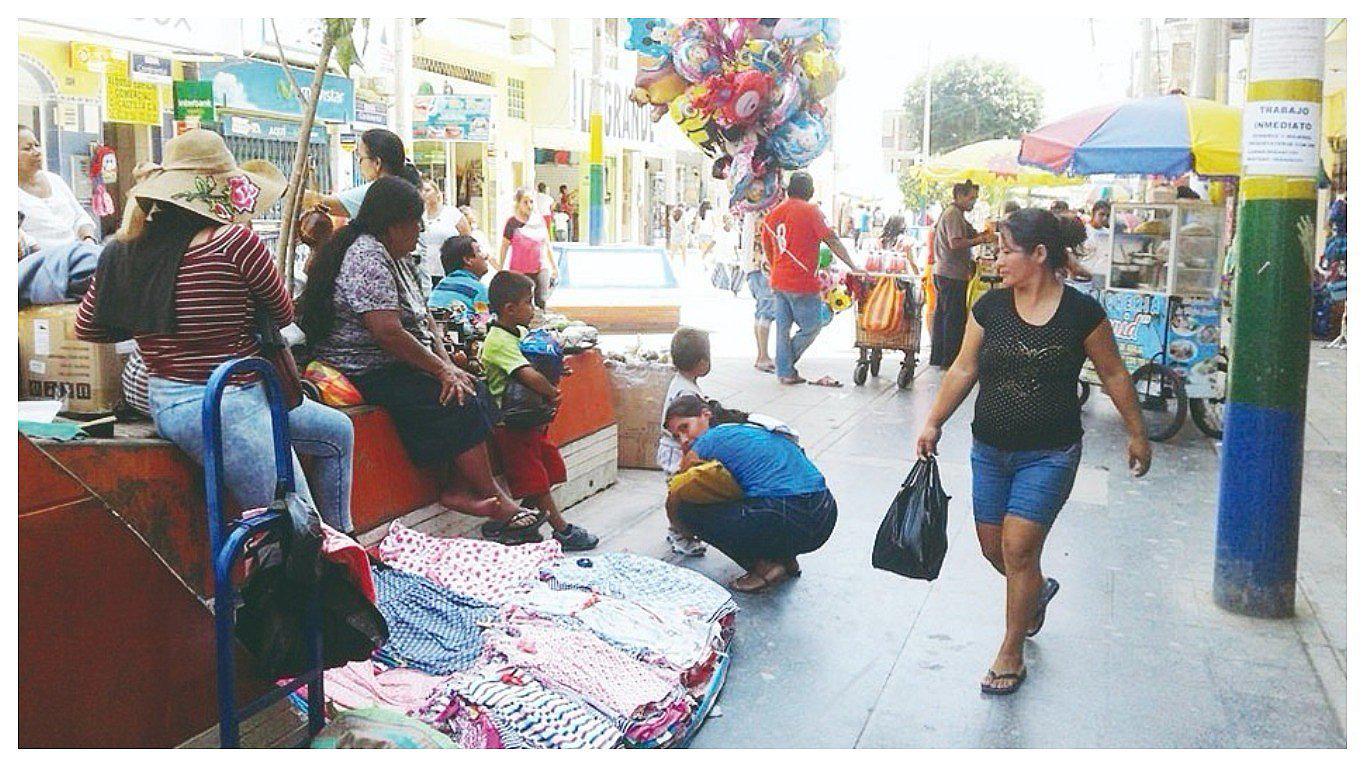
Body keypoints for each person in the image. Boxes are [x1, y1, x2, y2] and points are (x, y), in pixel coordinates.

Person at [914, 208, 1152, 696]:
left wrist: (1137, 432)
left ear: (1039, 255)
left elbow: (1113, 374)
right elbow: (962, 369)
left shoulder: (1082, 313)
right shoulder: (991, 309)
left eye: (1005, 251)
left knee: (1019, 549)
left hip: (1050, 453)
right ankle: (1037, 592)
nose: (996, 260)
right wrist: (934, 420)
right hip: (990, 450)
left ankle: (1011, 651)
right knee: (993, 547)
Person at [74, 128, 355, 532]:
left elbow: (90, 326)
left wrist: (162, 326)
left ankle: (341, 547)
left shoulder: (125, 247)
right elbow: (282, 314)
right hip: (229, 402)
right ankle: (319, 566)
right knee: (296, 523)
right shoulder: (234, 242)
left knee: (335, 432)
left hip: (168, 400)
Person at [299, 176, 541, 541]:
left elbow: (425, 320)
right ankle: (493, 498)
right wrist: (441, 371)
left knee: (472, 387)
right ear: (394, 224)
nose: (420, 230)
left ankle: (465, 488)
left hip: (399, 357)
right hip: (365, 365)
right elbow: (387, 331)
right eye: (415, 222)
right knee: (456, 400)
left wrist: (447, 365)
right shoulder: (366, 256)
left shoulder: (399, 257)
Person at [664, 394, 838, 593]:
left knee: (688, 509)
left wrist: (682, 529)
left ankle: (764, 568)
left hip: (784, 514)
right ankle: (786, 559)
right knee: (751, 495)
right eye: (677, 436)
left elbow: (676, 492)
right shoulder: (753, 427)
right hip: (825, 513)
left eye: (685, 427)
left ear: (706, 415)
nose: (684, 440)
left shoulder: (707, 441)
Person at [481, 270, 599, 551]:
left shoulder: (519, 333)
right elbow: (525, 374)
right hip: (512, 425)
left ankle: (517, 521)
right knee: (535, 476)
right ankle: (562, 530)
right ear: (510, 309)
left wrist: (556, 370)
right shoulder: (497, 341)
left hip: (532, 421)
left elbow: (538, 364)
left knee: (550, 467)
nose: (532, 308)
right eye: (528, 302)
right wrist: (551, 390)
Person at [761, 171, 863, 387]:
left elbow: (768, 248)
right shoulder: (811, 211)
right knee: (812, 326)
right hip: (802, 282)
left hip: (779, 280)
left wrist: (775, 268)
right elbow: (832, 240)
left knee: (782, 327)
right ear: (810, 191)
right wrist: (852, 265)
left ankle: (785, 370)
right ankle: (785, 366)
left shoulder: (772, 215)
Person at [657, 328, 712, 556]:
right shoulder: (686, 392)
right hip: (676, 452)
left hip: (673, 450)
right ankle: (680, 535)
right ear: (701, 363)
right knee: (680, 495)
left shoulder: (682, 382)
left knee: (680, 492)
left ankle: (681, 531)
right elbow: (681, 429)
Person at [930, 180, 996, 368]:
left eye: (975, 198)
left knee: (944, 315)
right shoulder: (953, 215)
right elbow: (955, 242)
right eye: (970, 198)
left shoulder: (956, 214)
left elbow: (968, 235)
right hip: (951, 273)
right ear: (959, 196)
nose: (973, 203)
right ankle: (948, 359)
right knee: (953, 317)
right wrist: (981, 239)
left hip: (947, 272)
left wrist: (979, 235)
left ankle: (939, 356)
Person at [306, 128, 421, 218]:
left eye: (361, 158)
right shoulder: (405, 189)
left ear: (377, 163)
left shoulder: (377, 192)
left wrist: (288, 188)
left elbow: (321, 203)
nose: (359, 163)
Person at [18, 125, 99, 251]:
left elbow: (80, 217)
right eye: (27, 148)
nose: (36, 152)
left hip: (76, 254)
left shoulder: (55, 180)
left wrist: (88, 240)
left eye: (37, 145)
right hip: (39, 263)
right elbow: (25, 241)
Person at [497, 187, 558, 310]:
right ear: (518, 203)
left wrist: (554, 267)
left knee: (541, 301)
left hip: (540, 268)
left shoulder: (539, 221)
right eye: (525, 202)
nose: (529, 205)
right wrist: (500, 268)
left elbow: (546, 244)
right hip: (519, 272)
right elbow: (504, 247)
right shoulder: (512, 223)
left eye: (531, 202)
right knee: (521, 304)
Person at [740, 212, 777, 373]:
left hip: (751, 266)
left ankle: (761, 354)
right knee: (766, 310)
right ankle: (763, 356)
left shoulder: (750, 211)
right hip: (761, 266)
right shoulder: (762, 214)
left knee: (761, 310)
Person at [418, 179, 470, 286]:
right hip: (426, 272)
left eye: (428, 190)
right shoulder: (420, 216)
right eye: (421, 191)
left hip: (449, 271)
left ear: (438, 193)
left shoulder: (452, 213)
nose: (424, 194)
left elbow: (467, 240)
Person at [428, 234, 490, 316]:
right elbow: (483, 320)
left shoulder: (440, 286)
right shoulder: (479, 291)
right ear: (468, 260)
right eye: (479, 251)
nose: (485, 256)